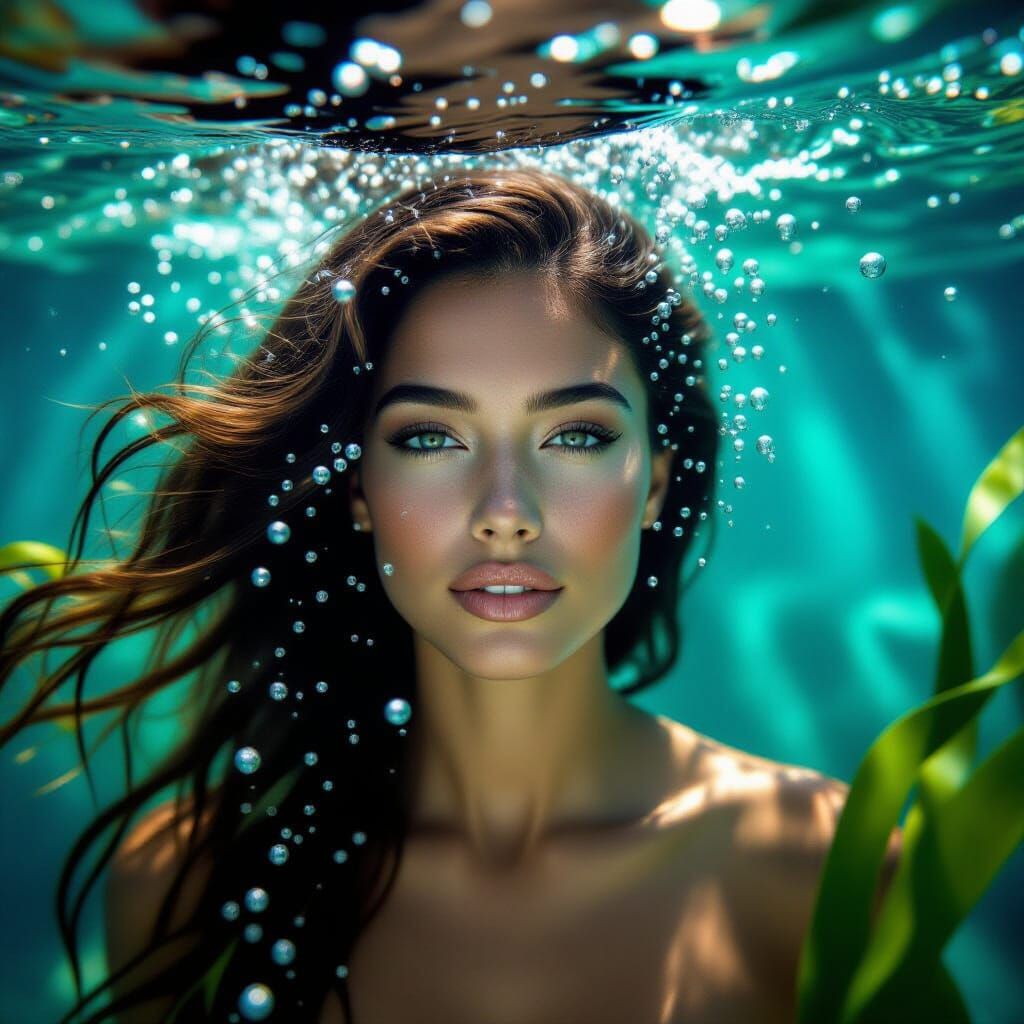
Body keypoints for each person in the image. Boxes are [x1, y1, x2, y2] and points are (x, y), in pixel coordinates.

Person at [0, 167, 899, 1024]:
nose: (505, 514)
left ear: (657, 483)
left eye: (576, 436)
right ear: (357, 488)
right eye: (431, 438)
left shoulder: (829, 870)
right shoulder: (183, 881)